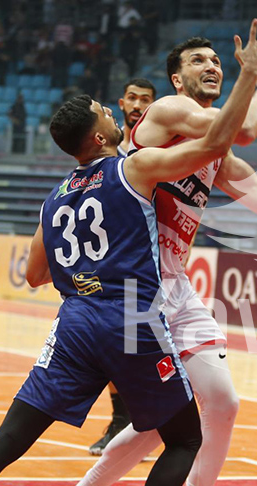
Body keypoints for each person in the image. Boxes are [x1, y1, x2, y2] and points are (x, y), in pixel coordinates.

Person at [0, 22, 257, 486]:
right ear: (98, 136)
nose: (117, 112)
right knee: (184, 436)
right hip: (133, 311)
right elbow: (224, 137)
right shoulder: (135, 168)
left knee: (12, 436)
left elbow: (33, 274)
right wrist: (256, 77)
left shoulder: (54, 197)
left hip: (75, 320)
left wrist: (84, 276)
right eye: (106, 113)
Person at [44, 23, 257, 486]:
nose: (212, 66)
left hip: (176, 286)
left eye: (217, 61)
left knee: (217, 404)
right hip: (136, 285)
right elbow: (242, 129)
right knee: (174, 413)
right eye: (199, 61)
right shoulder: (166, 112)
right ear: (177, 80)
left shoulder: (214, 150)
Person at [87, 78, 157, 456]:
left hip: (148, 264)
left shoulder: (156, 150)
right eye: (132, 98)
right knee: (115, 352)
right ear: (122, 102)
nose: (137, 104)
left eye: (145, 99)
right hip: (111, 263)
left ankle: (155, 426)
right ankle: (121, 420)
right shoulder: (107, 151)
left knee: (145, 354)